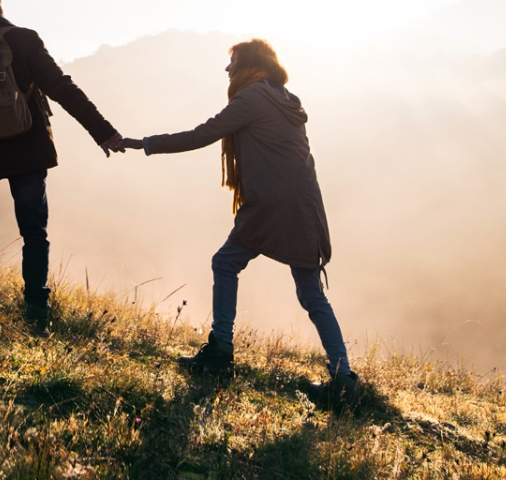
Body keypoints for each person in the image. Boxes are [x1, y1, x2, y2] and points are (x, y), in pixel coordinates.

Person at [121, 38, 359, 405]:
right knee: (311, 293)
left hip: (271, 206)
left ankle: (220, 352)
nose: (227, 69)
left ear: (247, 63)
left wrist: (145, 143)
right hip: (304, 205)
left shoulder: (251, 98)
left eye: (231, 61)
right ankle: (343, 380)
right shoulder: (285, 98)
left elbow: (202, 134)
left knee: (225, 262)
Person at [0, 0, 123, 334]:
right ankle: (36, 309)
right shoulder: (25, 40)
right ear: (0, 9)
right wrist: (103, 131)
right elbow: (62, 88)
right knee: (34, 230)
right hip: (27, 150)